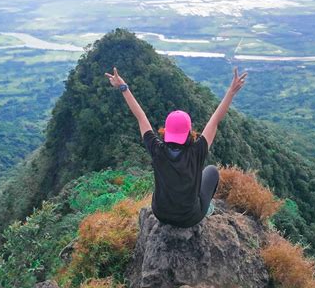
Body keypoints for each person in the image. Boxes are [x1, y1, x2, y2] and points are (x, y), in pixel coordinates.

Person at [105, 66, 247, 228]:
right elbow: (215, 120)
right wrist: (231, 92)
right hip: (190, 219)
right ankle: (206, 210)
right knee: (211, 171)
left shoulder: (157, 149)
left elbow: (140, 116)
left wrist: (123, 87)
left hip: (161, 214)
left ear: (166, 132)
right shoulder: (197, 150)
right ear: (189, 132)